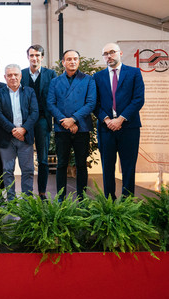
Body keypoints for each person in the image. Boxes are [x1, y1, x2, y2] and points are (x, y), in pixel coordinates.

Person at [93, 43, 145, 200]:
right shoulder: (97, 76)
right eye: (105, 53)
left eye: (112, 52)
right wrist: (108, 119)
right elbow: (94, 103)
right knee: (107, 166)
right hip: (106, 128)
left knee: (129, 166)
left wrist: (121, 119)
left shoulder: (134, 73)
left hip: (129, 127)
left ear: (120, 53)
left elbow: (138, 99)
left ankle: (127, 202)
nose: (109, 56)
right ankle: (109, 201)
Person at [47, 50, 96, 200]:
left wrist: (73, 119)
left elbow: (91, 103)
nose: (72, 61)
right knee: (61, 163)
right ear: (63, 62)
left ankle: (82, 197)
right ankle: (61, 198)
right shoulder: (55, 81)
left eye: (75, 59)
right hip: (62, 128)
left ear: (79, 61)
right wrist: (65, 121)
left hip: (82, 128)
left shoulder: (88, 80)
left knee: (81, 164)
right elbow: (50, 103)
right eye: (69, 59)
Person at [0, 64, 39, 201]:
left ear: (20, 76)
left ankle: (27, 200)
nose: (13, 77)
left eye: (15, 75)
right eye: (9, 75)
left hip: (25, 137)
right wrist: (13, 129)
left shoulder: (29, 92)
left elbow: (35, 112)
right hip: (7, 138)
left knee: (28, 171)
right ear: (5, 77)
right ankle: (11, 200)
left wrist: (23, 129)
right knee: (7, 171)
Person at [20, 45, 58, 200]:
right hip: (25, 122)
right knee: (25, 159)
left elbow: (55, 96)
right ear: (27, 57)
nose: (34, 58)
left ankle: (42, 193)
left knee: (42, 159)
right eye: (31, 55)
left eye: (37, 55)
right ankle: (27, 193)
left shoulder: (51, 74)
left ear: (42, 57)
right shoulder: (21, 74)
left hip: (43, 120)